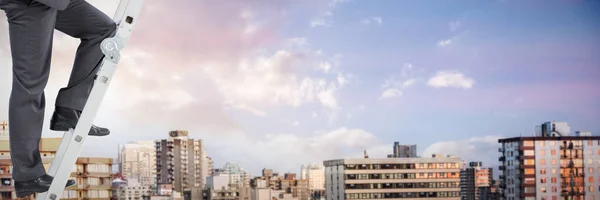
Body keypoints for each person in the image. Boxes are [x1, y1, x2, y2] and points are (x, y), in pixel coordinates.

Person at [0, 0, 115, 197]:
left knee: (102, 29)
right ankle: (27, 175)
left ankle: (68, 109)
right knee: (30, 85)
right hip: (28, 4)